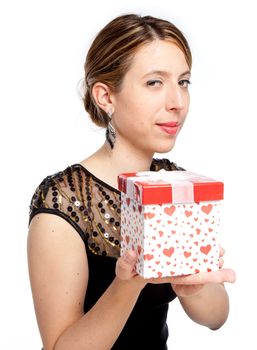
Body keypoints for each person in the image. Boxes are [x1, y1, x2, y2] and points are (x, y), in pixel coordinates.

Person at [27, 13, 236, 350]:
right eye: (155, 82)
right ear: (105, 97)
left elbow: (216, 317)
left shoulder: (175, 184)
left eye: (183, 82)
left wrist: (194, 283)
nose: (177, 103)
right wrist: (129, 283)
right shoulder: (65, 201)